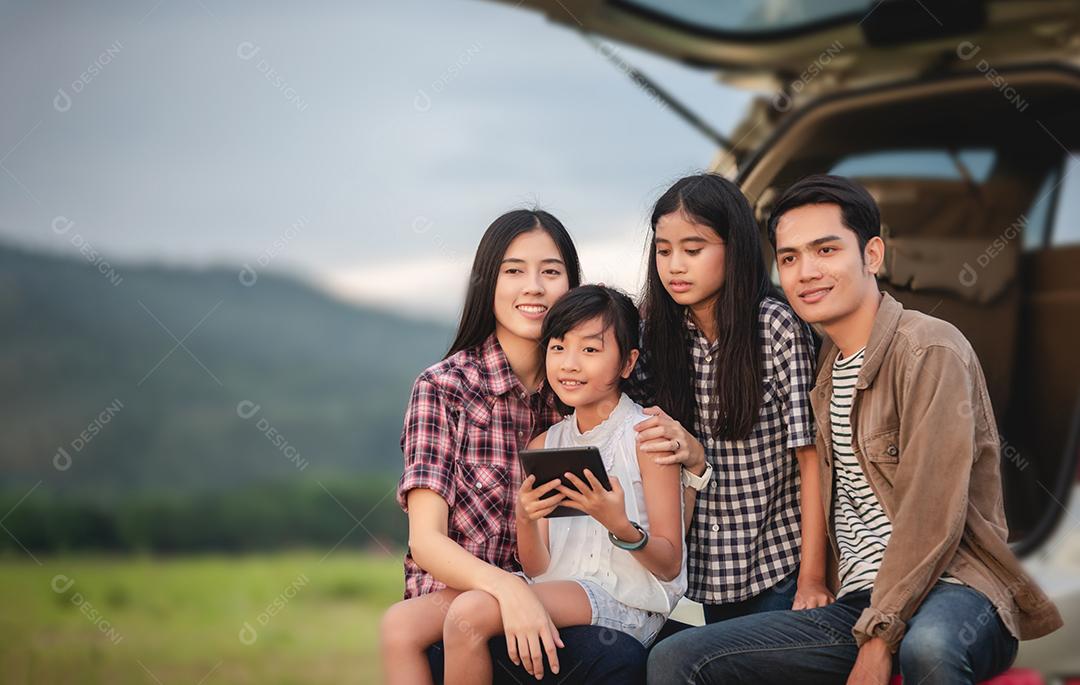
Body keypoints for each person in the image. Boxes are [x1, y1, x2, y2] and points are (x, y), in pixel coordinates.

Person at [647, 174, 1062, 684]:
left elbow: (931, 514)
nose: (807, 272)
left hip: (954, 588)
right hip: (854, 602)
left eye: (826, 250)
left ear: (872, 255)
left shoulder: (929, 348)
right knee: (673, 658)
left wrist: (880, 637)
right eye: (791, 257)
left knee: (928, 647)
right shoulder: (824, 371)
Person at [380, 210, 645, 685]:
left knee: (631, 654)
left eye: (551, 271)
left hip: (558, 595)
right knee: (401, 624)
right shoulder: (444, 388)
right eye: (514, 270)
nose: (534, 287)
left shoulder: (581, 390)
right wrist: (509, 590)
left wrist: (692, 452)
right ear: (489, 282)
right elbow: (426, 541)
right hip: (456, 611)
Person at [437, 284, 687, 684]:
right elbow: (538, 566)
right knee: (426, 617)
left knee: (468, 614)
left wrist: (619, 525)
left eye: (590, 350)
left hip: (624, 601)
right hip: (558, 590)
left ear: (627, 362)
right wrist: (524, 517)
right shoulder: (545, 444)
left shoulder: (647, 438)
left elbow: (670, 562)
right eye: (558, 347)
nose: (569, 364)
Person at [630, 173, 831, 629]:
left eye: (693, 249)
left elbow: (811, 459)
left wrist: (813, 579)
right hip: (688, 577)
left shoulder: (775, 328)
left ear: (734, 248)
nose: (675, 265)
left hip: (778, 568)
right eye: (664, 251)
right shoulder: (654, 336)